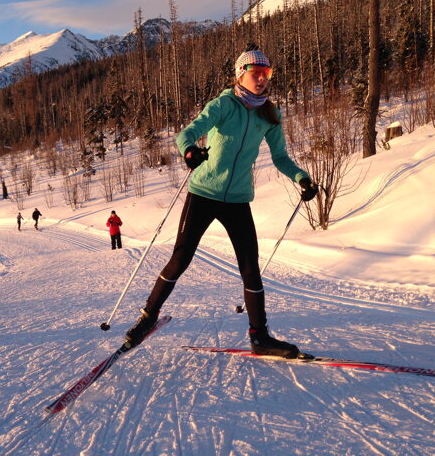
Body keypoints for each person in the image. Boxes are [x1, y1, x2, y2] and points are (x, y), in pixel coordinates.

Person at [125, 46, 318, 358]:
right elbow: (188, 133)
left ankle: (260, 336)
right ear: (240, 75)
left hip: (238, 199)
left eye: (267, 74)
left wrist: (301, 177)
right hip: (203, 194)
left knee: (250, 268)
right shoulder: (224, 104)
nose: (262, 79)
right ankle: (147, 318)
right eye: (256, 73)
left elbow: (281, 157)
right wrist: (189, 151)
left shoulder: (269, 113)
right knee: (181, 258)